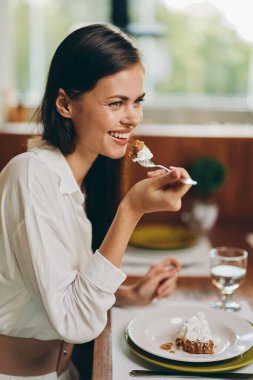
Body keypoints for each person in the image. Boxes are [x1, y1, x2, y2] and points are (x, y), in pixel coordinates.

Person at [0, 23, 193, 379]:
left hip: (65, 372)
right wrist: (132, 210)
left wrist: (129, 295)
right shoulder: (30, 176)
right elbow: (75, 321)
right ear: (64, 104)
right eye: (116, 103)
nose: (132, 117)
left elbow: (65, 286)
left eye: (137, 102)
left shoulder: (78, 180)